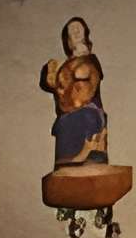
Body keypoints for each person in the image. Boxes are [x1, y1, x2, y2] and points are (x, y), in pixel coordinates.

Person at [40, 16, 109, 168]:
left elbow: (86, 86)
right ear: (68, 39)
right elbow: (53, 84)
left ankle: (89, 153)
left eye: (79, 27)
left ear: (85, 33)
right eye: (71, 30)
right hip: (68, 115)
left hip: (87, 112)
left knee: (86, 117)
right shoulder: (62, 65)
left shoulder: (90, 61)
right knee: (64, 125)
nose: (76, 31)